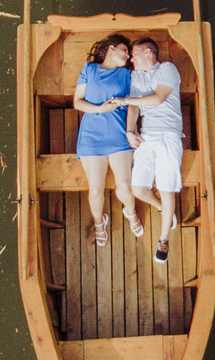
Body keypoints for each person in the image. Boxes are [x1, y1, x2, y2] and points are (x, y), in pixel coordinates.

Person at [113, 37, 182, 264]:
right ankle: (164, 209)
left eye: (134, 54)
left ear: (148, 52)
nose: (131, 59)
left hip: (169, 136)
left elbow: (158, 98)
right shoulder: (136, 76)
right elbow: (134, 106)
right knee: (138, 189)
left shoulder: (167, 69)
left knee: (166, 188)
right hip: (147, 136)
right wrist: (129, 131)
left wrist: (124, 100)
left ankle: (163, 240)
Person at [73, 34, 144, 246]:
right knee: (95, 189)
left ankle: (130, 212)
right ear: (111, 48)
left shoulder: (128, 74)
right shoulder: (89, 69)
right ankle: (99, 222)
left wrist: (131, 130)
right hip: (92, 137)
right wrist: (100, 108)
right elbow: (77, 102)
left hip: (118, 134)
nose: (128, 56)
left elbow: (134, 104)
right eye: (125, 50)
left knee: (125, 185)